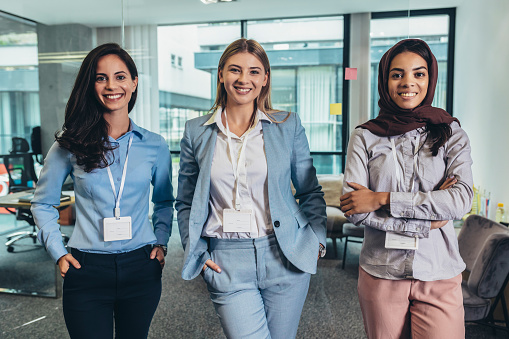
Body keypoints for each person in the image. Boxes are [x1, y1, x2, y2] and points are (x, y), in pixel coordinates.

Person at [176, 38, 327, 339]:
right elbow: (185, 200)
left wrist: (316, 240)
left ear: (265, 78)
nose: (244, 79)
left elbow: (309, 190)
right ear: (221, 74)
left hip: (285, 253)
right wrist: (197, 250)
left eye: (254, 71)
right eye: (235, 70)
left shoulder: (287, 125)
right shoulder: (197, 131)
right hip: (226, 259)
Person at [31, 43, 174, 339]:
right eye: (101, 78)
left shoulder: (155, 145)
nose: (112, 86)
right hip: (86, 267)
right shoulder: (68, 145)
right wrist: (58, 252)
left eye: (120, 77)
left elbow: (163, 201)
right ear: (91, 85)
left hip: (141, 265)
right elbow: (42, 203)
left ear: (134, 83)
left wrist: (161, 243)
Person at [340, 39, 473, 339]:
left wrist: (381, 198)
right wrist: (432, 217)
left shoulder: (451, 133)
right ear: (385, 79)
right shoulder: (365, 136)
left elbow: (461, 199)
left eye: (419, 73)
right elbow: (354, 210)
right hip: (381, 271)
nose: (408, 82)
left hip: (438, 269)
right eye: (397, 74)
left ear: (430, 78)